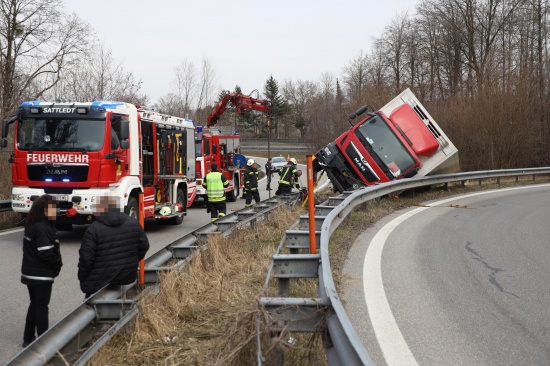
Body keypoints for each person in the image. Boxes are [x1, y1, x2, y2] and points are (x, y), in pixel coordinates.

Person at [78, 195, 149, 298]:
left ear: (100, 209)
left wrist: (84, 279)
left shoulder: (93, 229)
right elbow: (144, 246)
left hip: (99, 283)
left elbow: (86, 259)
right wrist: (130, 262)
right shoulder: (134, 223)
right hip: (127, 278)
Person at [21, 194, 63, 347]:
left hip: (29, 273)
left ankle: (28, 339)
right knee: (41, 307)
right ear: (44, 210)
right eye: (53, 208)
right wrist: (58, 263)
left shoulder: (32, 225)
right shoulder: (43, 227)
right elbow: (45, 252)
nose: (56, 211)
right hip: (40, 275)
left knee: (34, 304)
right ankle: (44, 343)